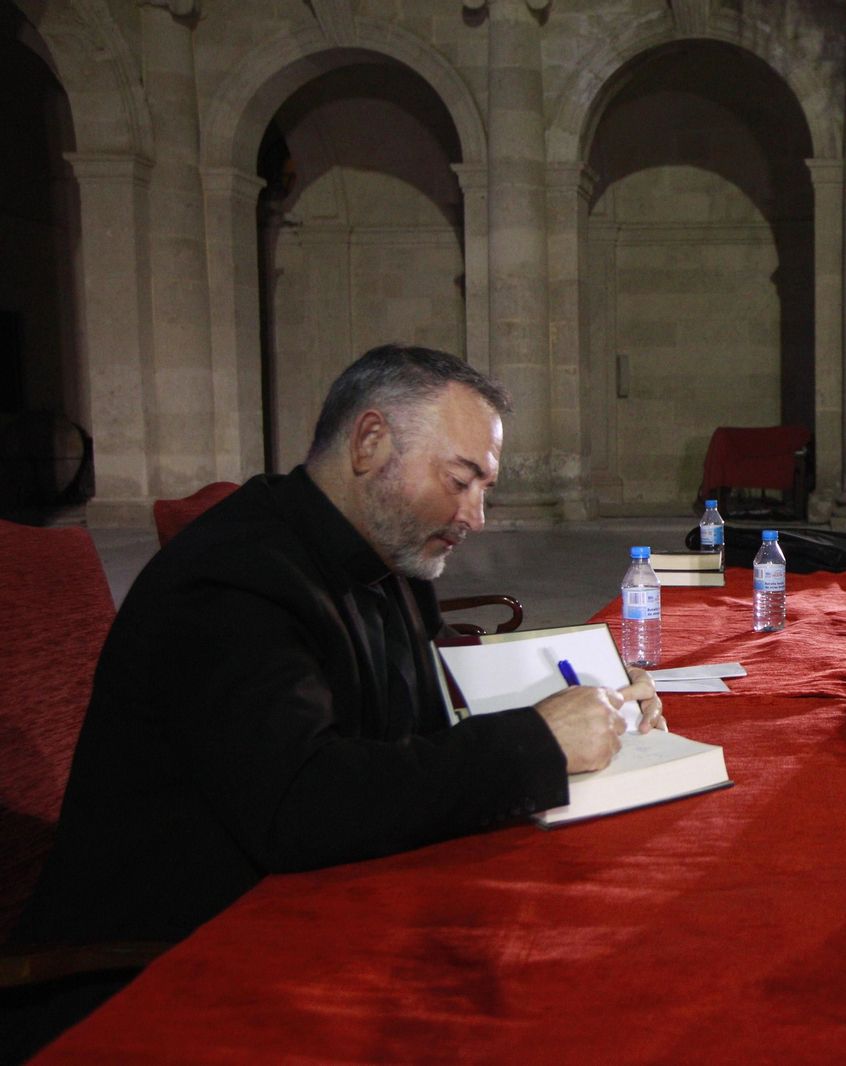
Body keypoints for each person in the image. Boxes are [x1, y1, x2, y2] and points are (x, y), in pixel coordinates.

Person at [10, 345, 662, 947]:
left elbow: (425, 721)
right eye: (460, 481)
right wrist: (535, 743)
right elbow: (302, 806)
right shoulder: (232, 578)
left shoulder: (390, 551)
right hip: (168, 955)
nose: (475, 517)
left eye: (484, 489)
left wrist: (589, 707)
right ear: (369, 442)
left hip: (316, 898)